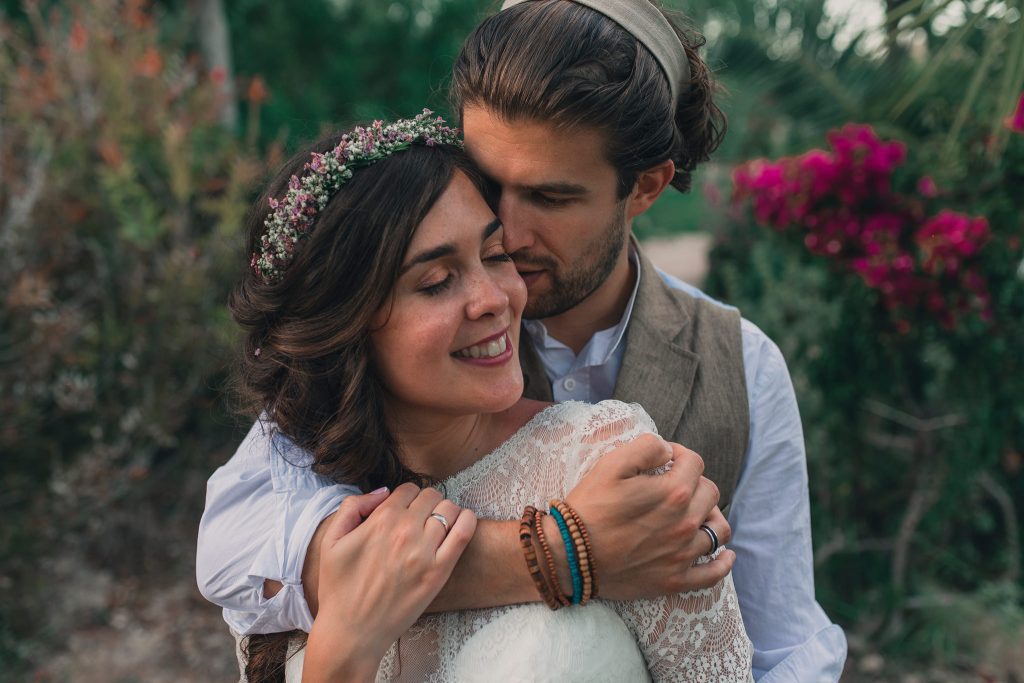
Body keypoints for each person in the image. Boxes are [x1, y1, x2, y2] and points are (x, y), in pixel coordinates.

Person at [198, 1, 847, 679]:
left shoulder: (740, 364)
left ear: (646, 187)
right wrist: (567, 551)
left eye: (550, 197)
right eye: (489, 181)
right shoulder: (395, 352)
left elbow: (786, 646)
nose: (504, 226)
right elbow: (233, 542)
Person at [223, 111, 754, 681]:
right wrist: (343, 647)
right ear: (342, 324)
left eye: (496, 255)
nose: (493, 299)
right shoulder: (291, 500)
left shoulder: (607, 463)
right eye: (435, 282)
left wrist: (564, 549)